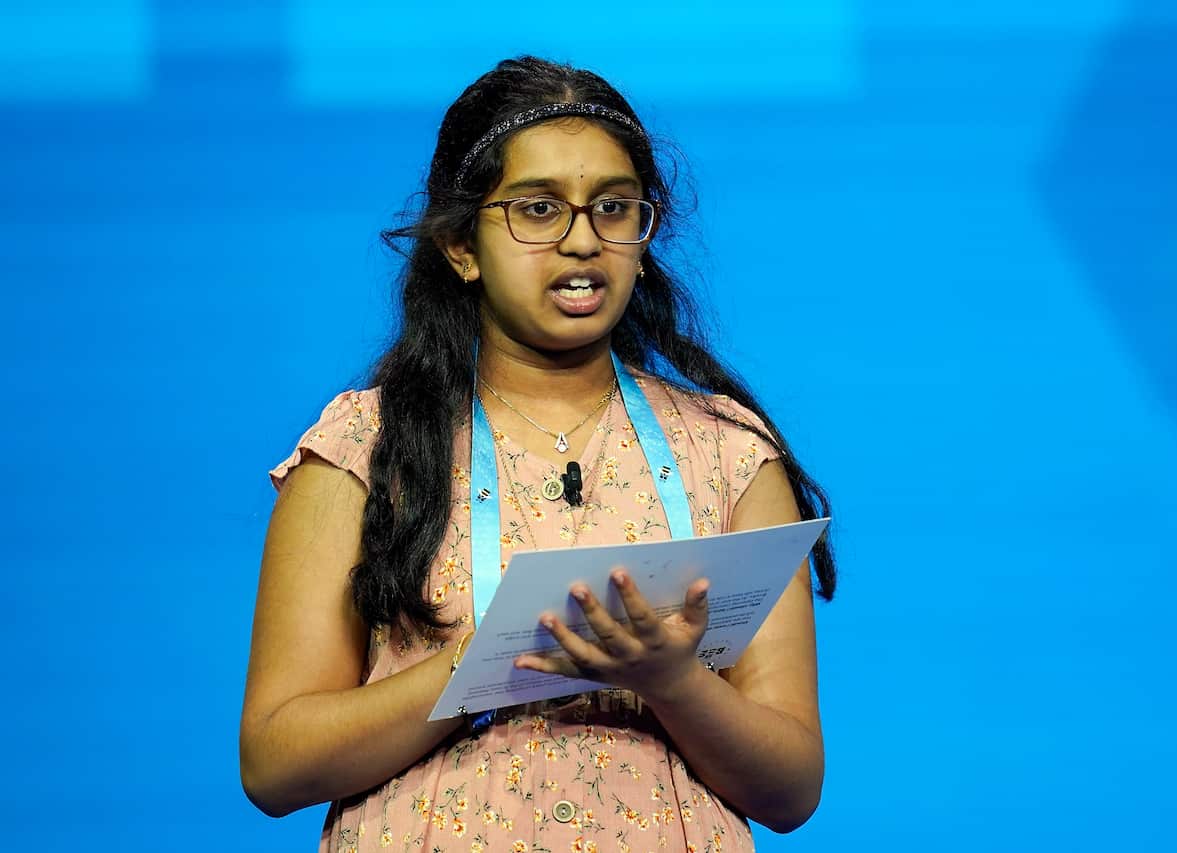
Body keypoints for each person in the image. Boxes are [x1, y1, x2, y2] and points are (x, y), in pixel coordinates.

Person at [240, 56, 836, 852]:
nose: (582, 240)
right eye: (537, 208)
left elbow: (792, 786)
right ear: (461, 243)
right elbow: (274, 763)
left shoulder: (730, 453)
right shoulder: (360, 450)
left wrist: (673, 681)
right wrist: (479, 664)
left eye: (614, 208)